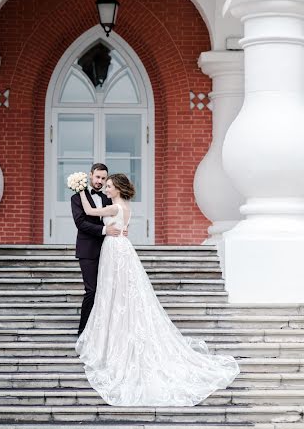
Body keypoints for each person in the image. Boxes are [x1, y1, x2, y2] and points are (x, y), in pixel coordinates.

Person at [75, 173, 240, 407]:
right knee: (119, 291)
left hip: (115, 249)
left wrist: (81, 190)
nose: (107, 189)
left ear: (118, 189)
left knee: (115, 290)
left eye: (110, 186)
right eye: (107, 186)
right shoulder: (125, 207)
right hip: (121, 247)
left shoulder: (113, 208)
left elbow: (90, 213)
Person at [71, 163, 125, 337]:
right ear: (90, 175)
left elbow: (115, 217)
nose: (100, 181)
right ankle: (83, 332)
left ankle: (102, 333)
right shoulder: (77, 198)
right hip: (87, 250)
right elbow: (81, 223)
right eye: (97, 177)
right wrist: (104, 230)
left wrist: (121, 228)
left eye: (103, 178)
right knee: (92, 290)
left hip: (108, 250)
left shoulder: (108, 198)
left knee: (107, 290)